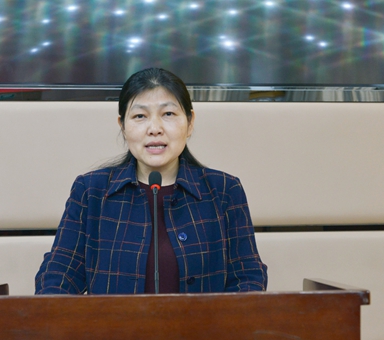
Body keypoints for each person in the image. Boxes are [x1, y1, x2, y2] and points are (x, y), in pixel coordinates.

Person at [36, 68, 268, 294]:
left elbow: (248, 278)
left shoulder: (224, 190)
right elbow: (59, 275)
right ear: (123, 126)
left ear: (190, 122)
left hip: (204, 323)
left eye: (168, 114)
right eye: (140, 116)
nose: (155, 129)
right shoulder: (91, 191)